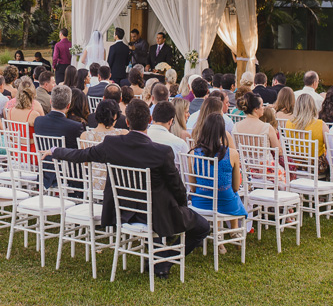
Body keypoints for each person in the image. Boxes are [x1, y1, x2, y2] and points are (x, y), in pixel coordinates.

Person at [49, 99, 211, 278]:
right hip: (158, 215)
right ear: (150, 120)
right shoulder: (162, 152)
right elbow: (177, 187)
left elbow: (82, 154)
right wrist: (182, 206)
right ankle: (164, 260)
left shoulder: (112, 144)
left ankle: (159, 257)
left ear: (127, 122)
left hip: (125, 211)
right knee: (203, 227)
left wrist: (55, 151)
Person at [190, 113, 249, 221]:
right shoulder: (233, 154)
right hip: (225, 202)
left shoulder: (193, 153)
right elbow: (235, 187)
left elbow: (193, 187)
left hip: (200, 203)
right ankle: (234, 229)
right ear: (222, 132)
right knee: (233, 195)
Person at [286, 94, 327, 170]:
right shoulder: (321, 124)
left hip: (295, 164)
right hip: (316, 166)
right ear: (313, 107)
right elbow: (329, 147)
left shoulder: (289, 123)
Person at [147, 102, 190, 171]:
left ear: (152, 118)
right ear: (171, 121)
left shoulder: (141, 138)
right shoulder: (180, 144)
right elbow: (186, 173)